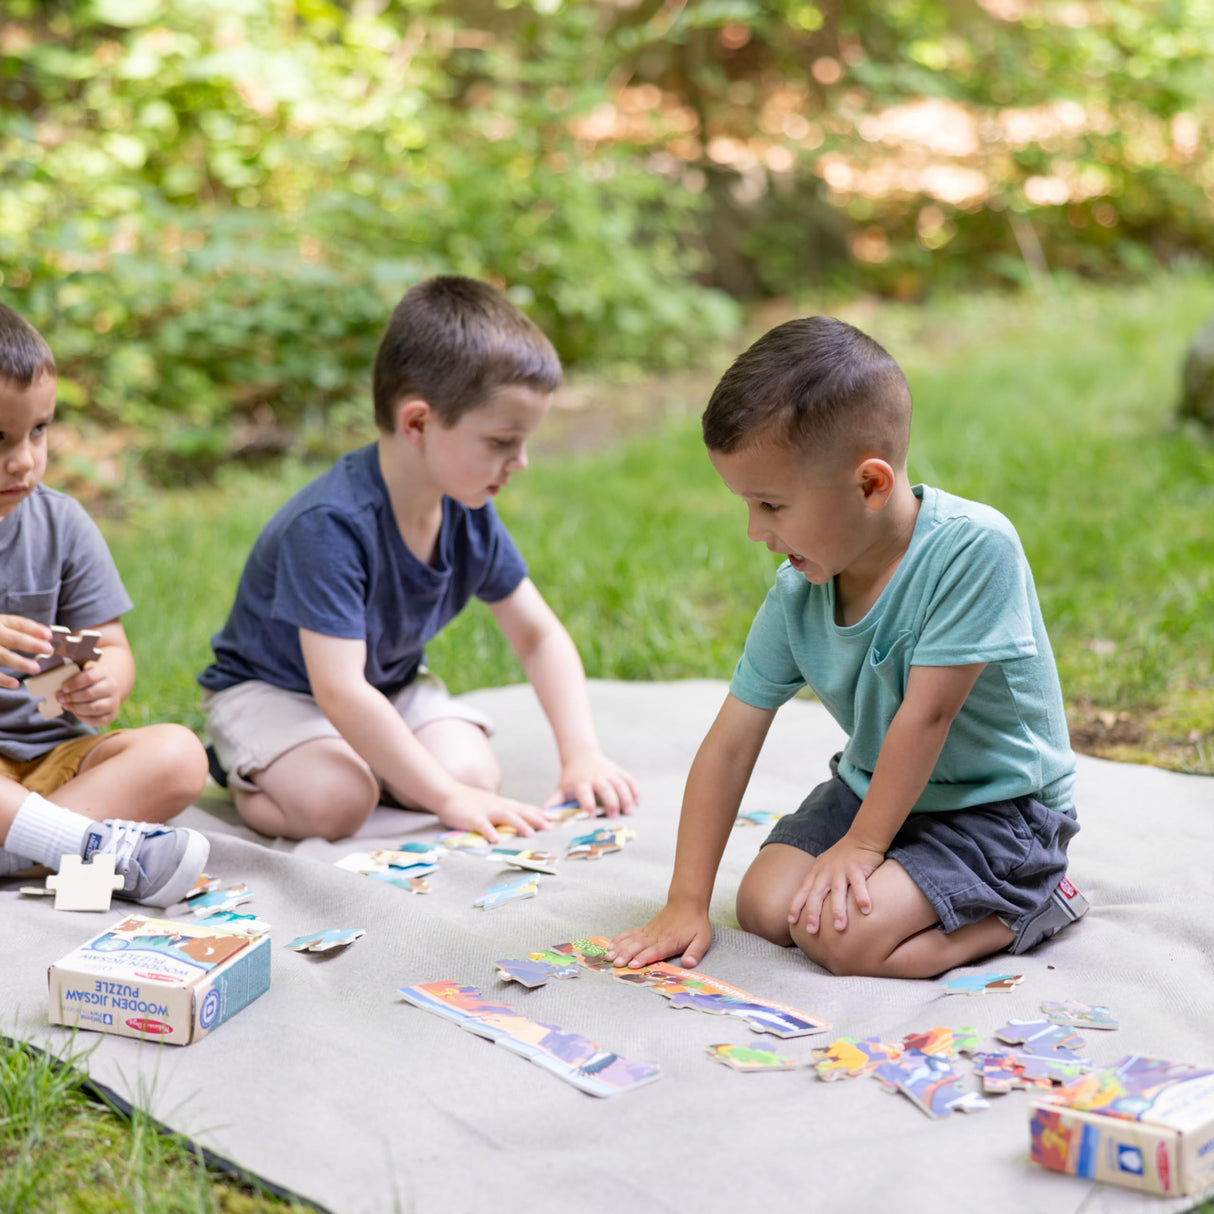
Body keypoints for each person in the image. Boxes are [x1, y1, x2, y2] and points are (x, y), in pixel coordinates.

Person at [608, 316, 1086, 978]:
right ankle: (902, 875)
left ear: (870, 485)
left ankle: (1032, 903)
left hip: (997, 809)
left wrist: (864, 847)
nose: (754, 530)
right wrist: (685, 902)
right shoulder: (799, 591)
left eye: (771, 505)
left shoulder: (975, 549)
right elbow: (730, 742)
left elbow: (928, 716)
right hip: (872, 791)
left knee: (844, 943)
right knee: (766, 907)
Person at [199, 276, 637, 843]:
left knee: (475, 772)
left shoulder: (466, 508)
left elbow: (537, 635)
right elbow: (339, 690)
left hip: (385, 687)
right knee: (337, 803)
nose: (521, 461)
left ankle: (369, 761)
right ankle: (249, 771)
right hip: (274, 692)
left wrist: (582, 754)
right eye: (502, 442)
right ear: (418, 423)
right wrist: (446, 800)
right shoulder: (330, 524)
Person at [0, 302, 210, 906]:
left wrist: (105, 683)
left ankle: (34, 841)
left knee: (178, 754)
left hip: (53, 758)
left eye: (39, 430)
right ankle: (76, 844)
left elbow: (110, 645)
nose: (24, 459)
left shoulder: (61, 523)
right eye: (0, 438)